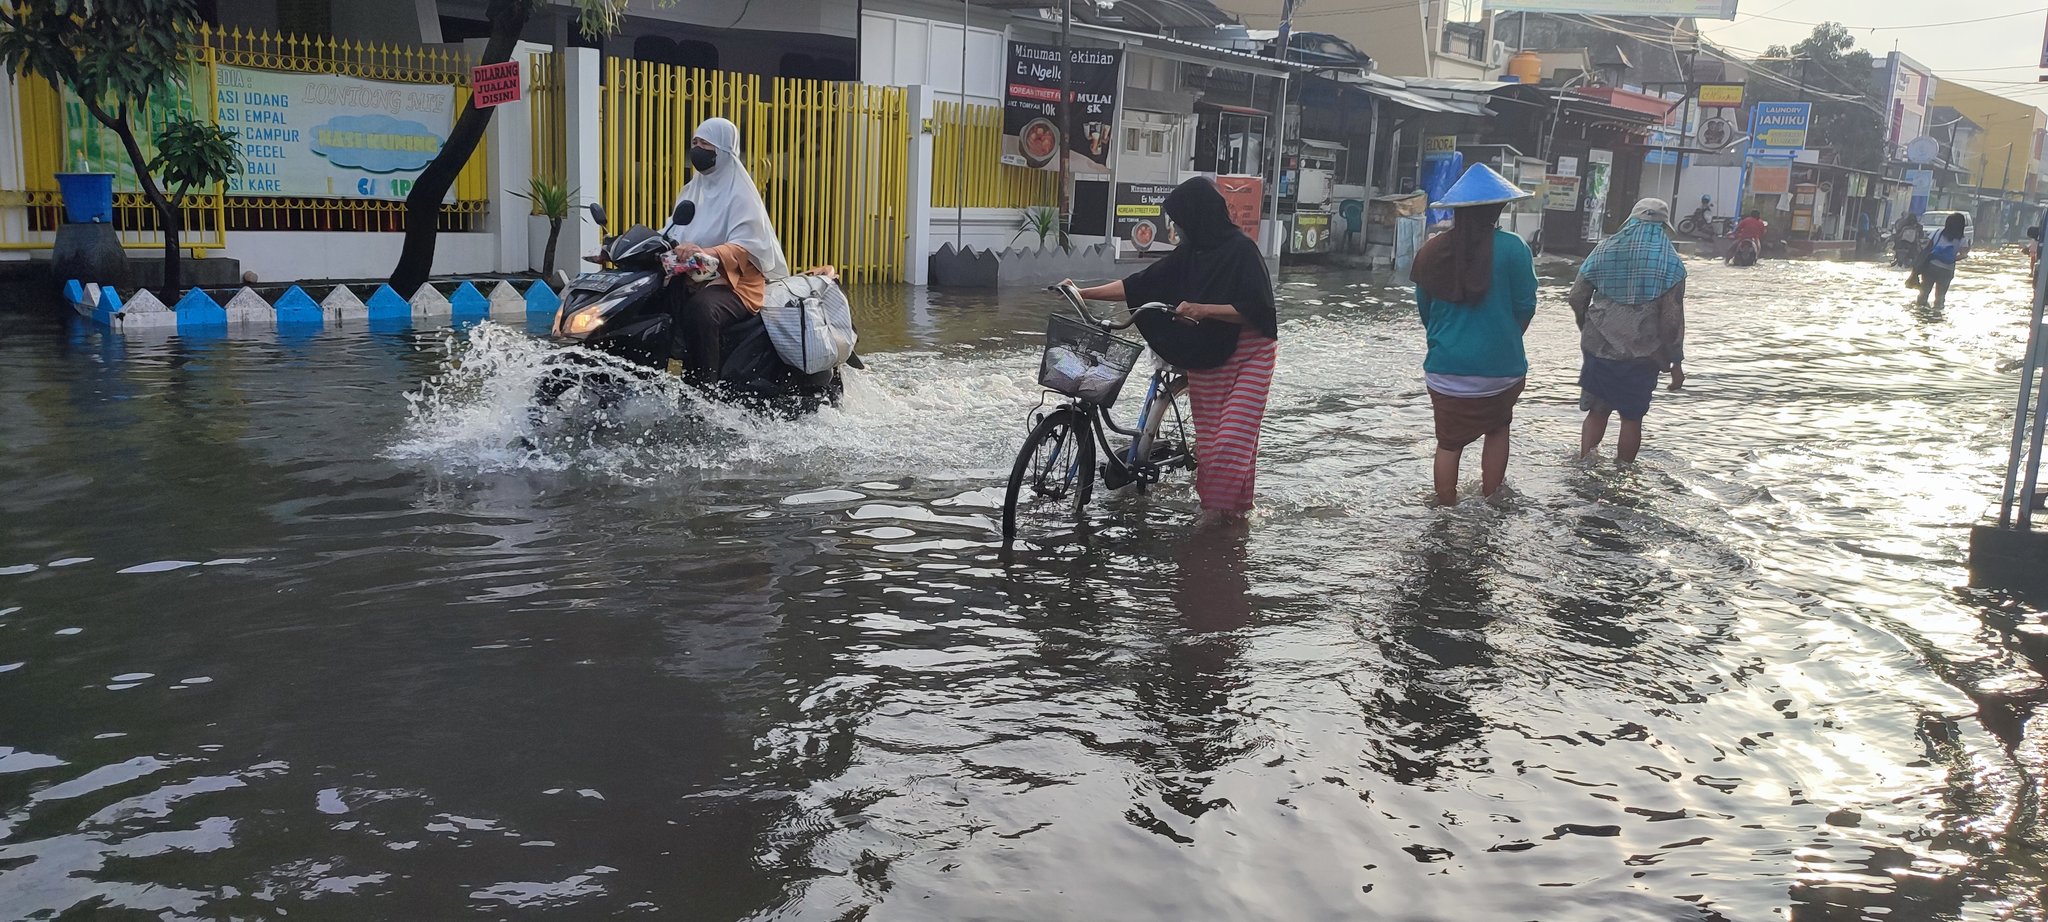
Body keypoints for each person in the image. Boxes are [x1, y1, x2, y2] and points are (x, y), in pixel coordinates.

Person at [1071, 177, 1279, 527]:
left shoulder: (1242, 250)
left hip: (1250, 353)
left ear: (1198, 217)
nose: (1178, 229)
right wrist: (1082, 292)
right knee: (1212, 447)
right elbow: (1138, 285)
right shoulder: (1190, 253)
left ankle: (1216, 516)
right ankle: (1230, 512)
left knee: (1233, 440)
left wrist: (1205, 309)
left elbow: (1258, 311)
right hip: (1209, 354)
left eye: (1181, 221)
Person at [1411, 163, 1537, 507]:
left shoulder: (1431, 251)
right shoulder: (1513, 248)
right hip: (1502, 370)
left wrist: (1450, 343)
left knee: (1448, 443)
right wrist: (1504, 337)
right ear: (1498, 209)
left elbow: (1426, 313)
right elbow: (1525, 306)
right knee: (1497, 429)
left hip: (1445, 370)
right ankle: (1492, 500)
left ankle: (1445, 510)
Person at [663, 116, 790, 386]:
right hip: (693, 276)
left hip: (737, 284)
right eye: (694, 142)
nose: (697, 149)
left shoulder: (741, 195)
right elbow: (671, 231)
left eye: (705, 144)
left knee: (702, 310)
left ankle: (704, 388)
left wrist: (708, 251)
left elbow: (747, 245)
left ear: (722, 150)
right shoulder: (690, 191)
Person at [1568, 198, 1687, 465]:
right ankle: (1623, 472)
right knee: (1632, 419)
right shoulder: (1672, 264)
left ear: (1631, 221)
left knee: (1597, 412)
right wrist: (1675, 361)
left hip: (1599, 350)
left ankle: (1584, 464)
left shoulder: (1603, 250)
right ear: (1663, 227)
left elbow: (1577, 296)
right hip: (1643, 356)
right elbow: (1671, 321)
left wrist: (1585, 326)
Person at [1917, 212, 1970, 308]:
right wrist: (1950, 259)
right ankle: (1937, 317)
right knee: (1940, 298)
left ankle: (1921, 314)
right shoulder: (1962, 239)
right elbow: (1964, 255)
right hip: (1947, 270)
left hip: (1931, 267)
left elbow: (1927, 246)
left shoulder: (1938, 232)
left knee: (1923, 294)